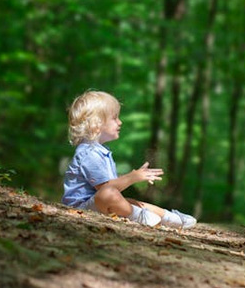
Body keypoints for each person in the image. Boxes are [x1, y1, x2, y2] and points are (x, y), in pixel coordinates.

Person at [62, 90, 196, 229]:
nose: (120, 122)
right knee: (110, 195)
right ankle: (142, 217)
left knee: (129, 201)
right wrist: (132, 177)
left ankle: (170, 218)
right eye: (114, 118)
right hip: (82, 208)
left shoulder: (100, 151)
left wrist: (132, 177)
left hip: (97, 203)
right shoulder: (89, 153)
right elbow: (107, 190)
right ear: (96, 123)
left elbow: (109, 187)